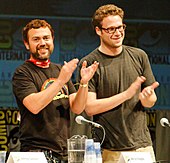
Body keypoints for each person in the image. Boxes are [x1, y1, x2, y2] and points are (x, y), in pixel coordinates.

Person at [76, 4, 159, 163]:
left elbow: (150, 102)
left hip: (142, 146)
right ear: (98, 31)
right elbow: (90, 107)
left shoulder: (139, 56)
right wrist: (126, 95)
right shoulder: (89, 63)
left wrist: (147, 97)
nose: (118, 33)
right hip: (110, 149)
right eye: (111, 29)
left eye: (120, 27)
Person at [12, 19, 99, 163]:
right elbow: (34, 106)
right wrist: (60, 81)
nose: (42, 43)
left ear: (52, 40)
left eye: (46, 38)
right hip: (35, 152)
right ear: (27, 44)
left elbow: (77, 107)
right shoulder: (23, 73)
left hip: (63, 152)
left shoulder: (59, 70)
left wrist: (84, 84)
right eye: (36, 39)